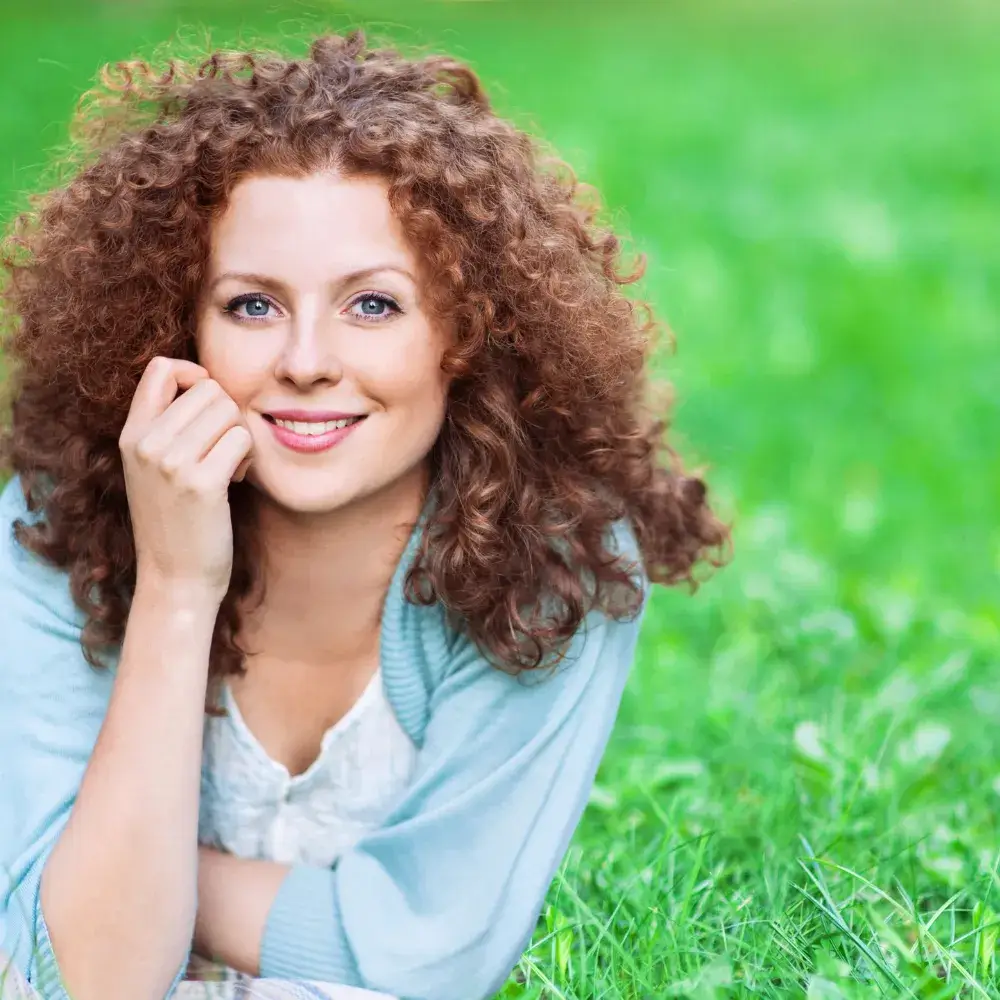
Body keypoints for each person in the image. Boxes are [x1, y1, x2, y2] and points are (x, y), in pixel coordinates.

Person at [0, 31, 727, 1000]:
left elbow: (435, 955)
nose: (305, 359)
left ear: (465, 335)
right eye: (252, 306)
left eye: (373, 306)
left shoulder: (552, 563)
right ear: (179, 329)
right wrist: (177, 589)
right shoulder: (58, 525)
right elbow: (87, 978)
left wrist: (104, 885)